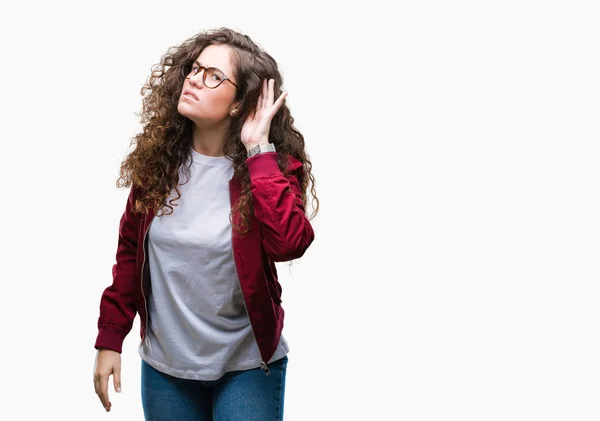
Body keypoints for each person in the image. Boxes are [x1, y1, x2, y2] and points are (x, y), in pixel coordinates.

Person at [92, 27, 319, 420]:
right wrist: (111, 337)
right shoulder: (158, 167)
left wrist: (257, 150)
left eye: (214, 76)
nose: (194, 79)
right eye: (194, 69)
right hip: (166, 370)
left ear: (238, 103)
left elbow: (290, 243)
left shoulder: (270, 169)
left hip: (248, 368)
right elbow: (130, 255)